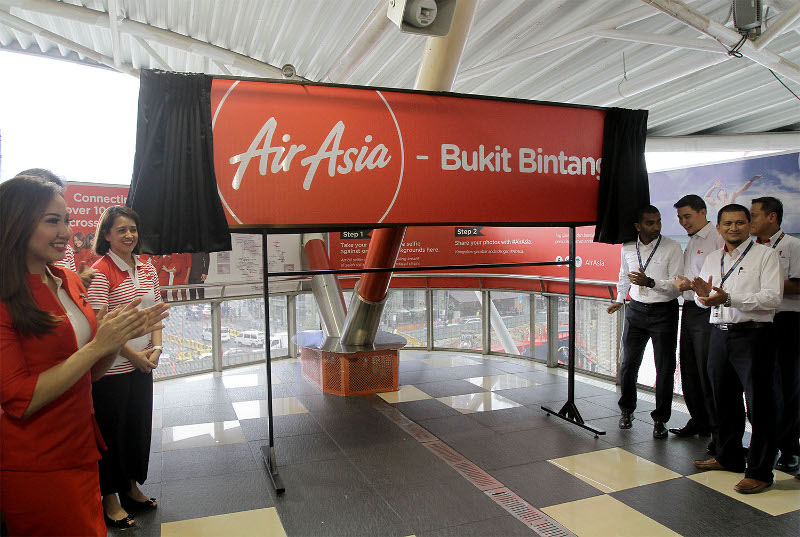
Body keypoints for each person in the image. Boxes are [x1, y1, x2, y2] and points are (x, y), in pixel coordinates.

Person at [0, 176, 167, 536]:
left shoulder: (68, 279)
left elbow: (89, 373)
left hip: (81, 441)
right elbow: (19, 398)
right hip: (38, 456)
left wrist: (114, 340)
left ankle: (126, 489)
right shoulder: (8, 294)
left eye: (67, 220)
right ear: (15, 221)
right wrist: (101, 344)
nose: (65, 231)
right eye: (52, 220)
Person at [692, 204, 782, 494]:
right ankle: (728, 456)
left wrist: (728, 298)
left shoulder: (766, 255)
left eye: (740, 223)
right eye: (728, 223)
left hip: (754, 337)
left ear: (749, 226)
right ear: (718, 227)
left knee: (759, 406)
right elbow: (701, 298)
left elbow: (771, 299)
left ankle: (760, 471)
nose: (734, 228)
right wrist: (703, 299)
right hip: (719, 334)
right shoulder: (713, 258)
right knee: (723, 399)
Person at [87, 206, 164, 527]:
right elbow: (97, 326)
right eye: (121, 230)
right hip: (112, 368)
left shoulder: (148, 269)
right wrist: (133, 356)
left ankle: (131, 487)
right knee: (111, 434)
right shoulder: (101, 271)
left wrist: (156, 348)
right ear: (106, 235)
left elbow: (157, 310)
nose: (129, 235)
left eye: (133, 229)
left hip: (143, 364)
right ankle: (109, 498)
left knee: (136, 428)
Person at [607, 205, 683, 438]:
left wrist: (650, 282)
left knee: (665, 367)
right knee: (629, 364)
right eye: (650, 223)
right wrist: (620, 299)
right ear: (638, 226)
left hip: (664, 311)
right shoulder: (628, 247)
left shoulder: (672, 247)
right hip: (636, 310)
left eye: (659, 222)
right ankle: (627, 411)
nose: (656, 227)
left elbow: (677, 285)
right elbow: (623, 274)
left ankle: (661, 420)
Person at [670, 195, 725, 454]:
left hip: (708, 310)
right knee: (689, 368)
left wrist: (689, 284)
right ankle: (699, 421)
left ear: (703, 212)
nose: (683, 222)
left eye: (687, 216)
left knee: (707, 372)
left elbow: (718, 281)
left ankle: (718, 431)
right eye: (680, 218)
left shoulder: (716, 239)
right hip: (689, 309)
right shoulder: (692, 241)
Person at [750, 196, 800, 474]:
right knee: (759, 387)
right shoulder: (750, 249)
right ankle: (762, 444)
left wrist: (765, 285)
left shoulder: (793, 245)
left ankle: (790, 449)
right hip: (756, 322)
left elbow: (797, 285)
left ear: (772, 217)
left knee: (788, 387)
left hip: (786, 321)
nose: (750, 220)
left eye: (755, 215)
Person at [15, 168, 98, 287]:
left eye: (67, 221)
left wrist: (75, 284)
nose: (67, 233)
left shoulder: (65, 250)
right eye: (52, 220)